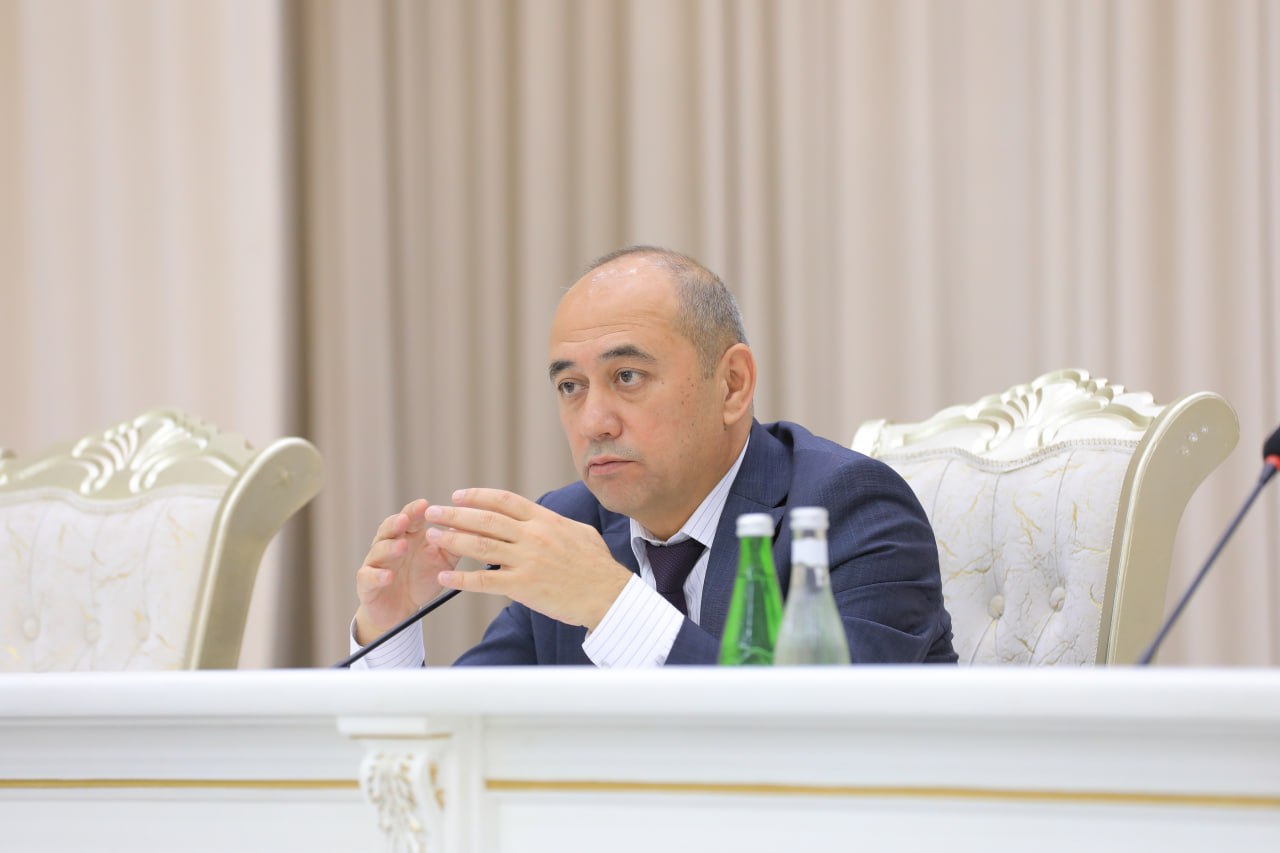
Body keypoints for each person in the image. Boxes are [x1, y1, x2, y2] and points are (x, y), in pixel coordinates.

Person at [350, 246, 956, 667]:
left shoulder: (851, 511)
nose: (594, 421)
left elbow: (826, 743)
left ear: (733, 385)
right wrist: (390, 630)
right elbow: (460, 744)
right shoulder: (574, 522)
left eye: (628, 376)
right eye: (570, 386)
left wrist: (611, 604)